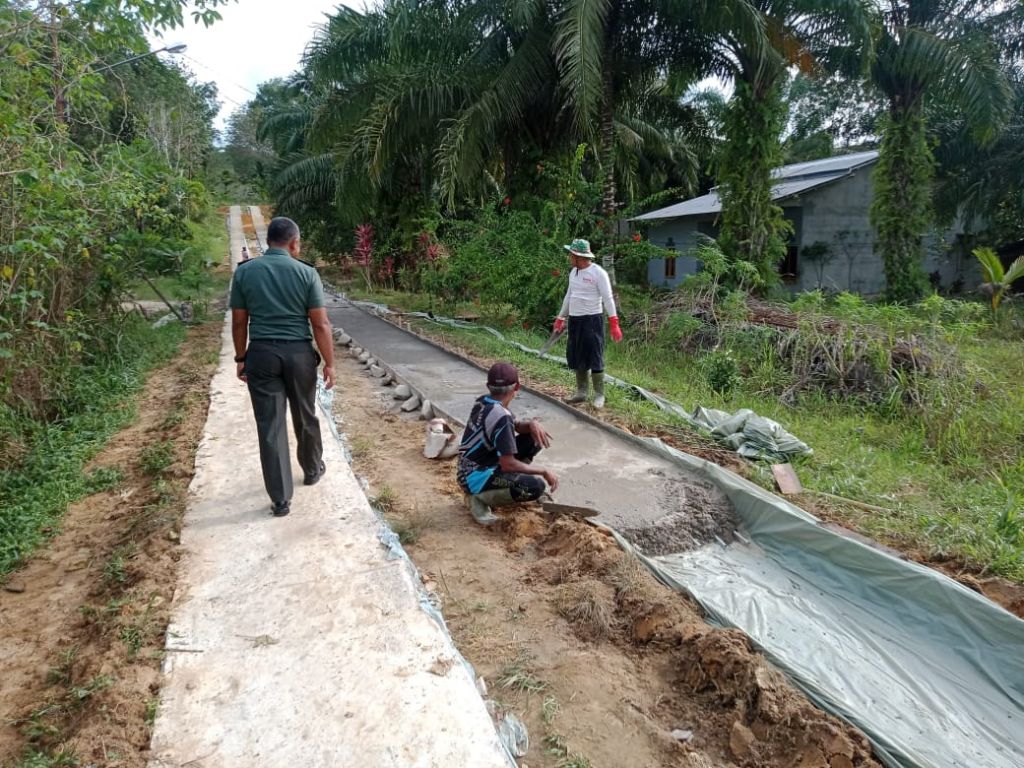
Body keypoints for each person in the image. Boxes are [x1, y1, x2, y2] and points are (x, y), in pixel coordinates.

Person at [230, 216, 335, 517]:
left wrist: (241, 358)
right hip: (299, 354)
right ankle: (312, 469)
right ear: (293, 242)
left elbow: (240, 321)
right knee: (305, 413)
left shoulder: (246, 273)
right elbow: (321, 324)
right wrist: (329, 363)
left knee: (270, 425)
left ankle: (280, 499)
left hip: (261, 354)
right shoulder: (306, 273)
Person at [456, 362, 558, 526]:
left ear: (488, 386)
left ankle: (508, 482)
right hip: (475, 478)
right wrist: (543, 471)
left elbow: (516, 425)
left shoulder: (484, 402)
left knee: (534, 438)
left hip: (471, 469)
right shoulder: (502, 416)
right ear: (517, 386)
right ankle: (478, 499)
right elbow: (508, 464)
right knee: (534, 487)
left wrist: (532, 424)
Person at [553, 238, 622, 408]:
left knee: (595, 356)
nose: (570, 258)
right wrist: (561, 317)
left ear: (579, 256)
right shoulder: (573, 273)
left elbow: (608, 298)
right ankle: (581, 392)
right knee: (577, 355)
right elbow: (569, 296)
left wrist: (614, 322)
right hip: (575, 321)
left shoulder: (598, 273)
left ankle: (599, 395)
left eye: (571, 255)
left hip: (592, 320)